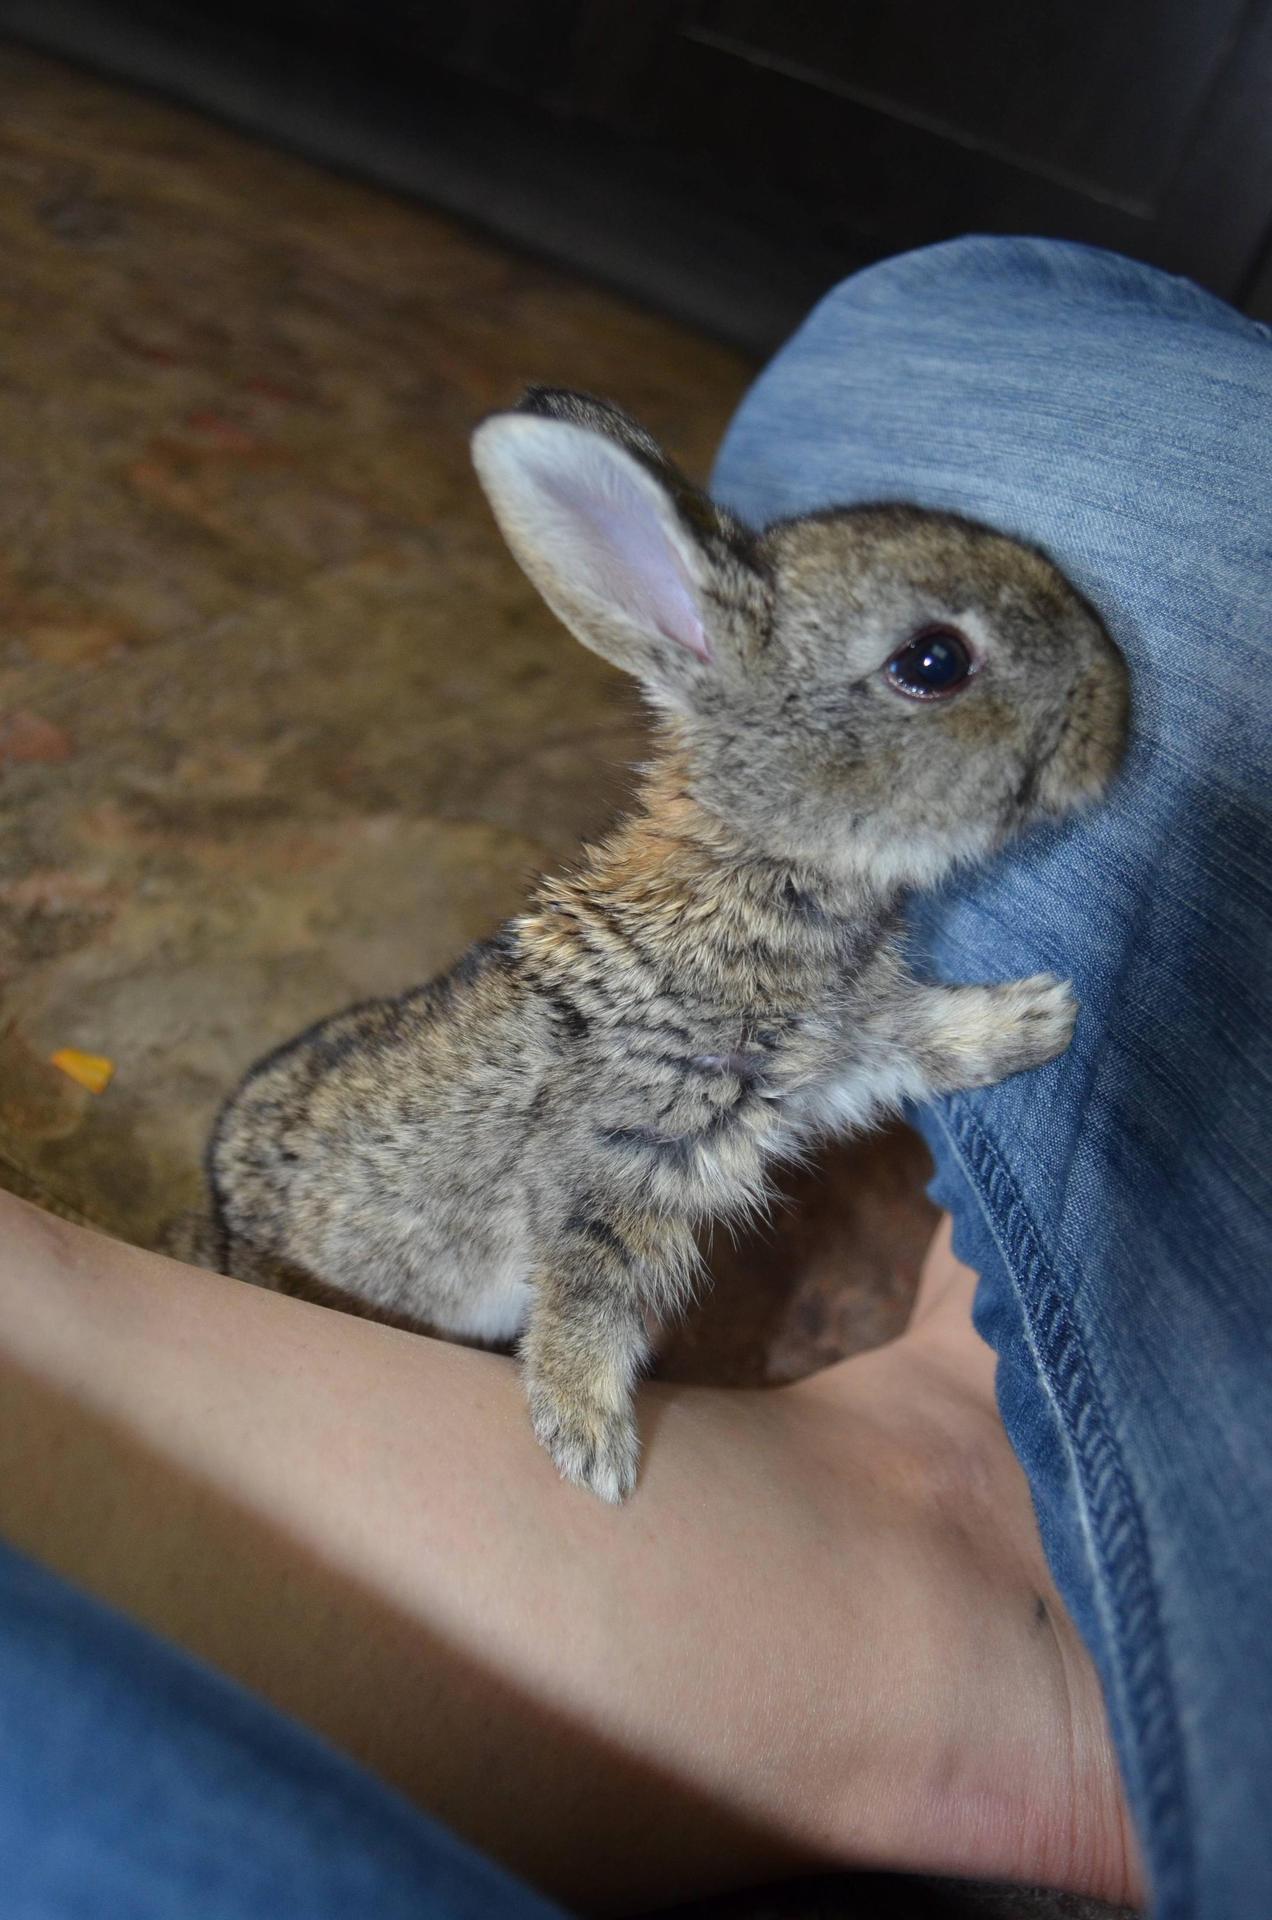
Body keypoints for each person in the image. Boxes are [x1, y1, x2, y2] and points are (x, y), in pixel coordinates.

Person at [1, 235, 1267, 1920]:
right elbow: (622, 1187)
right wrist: (583, 1378)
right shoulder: (700, 959)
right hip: (368, 1249)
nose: (1070, 699)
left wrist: (936, 1040)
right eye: (937, 670)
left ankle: (981, 1543)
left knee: (913, 324)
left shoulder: (769, 926)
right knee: (953, 346)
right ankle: (1033, 1616)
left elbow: (809, 1058)